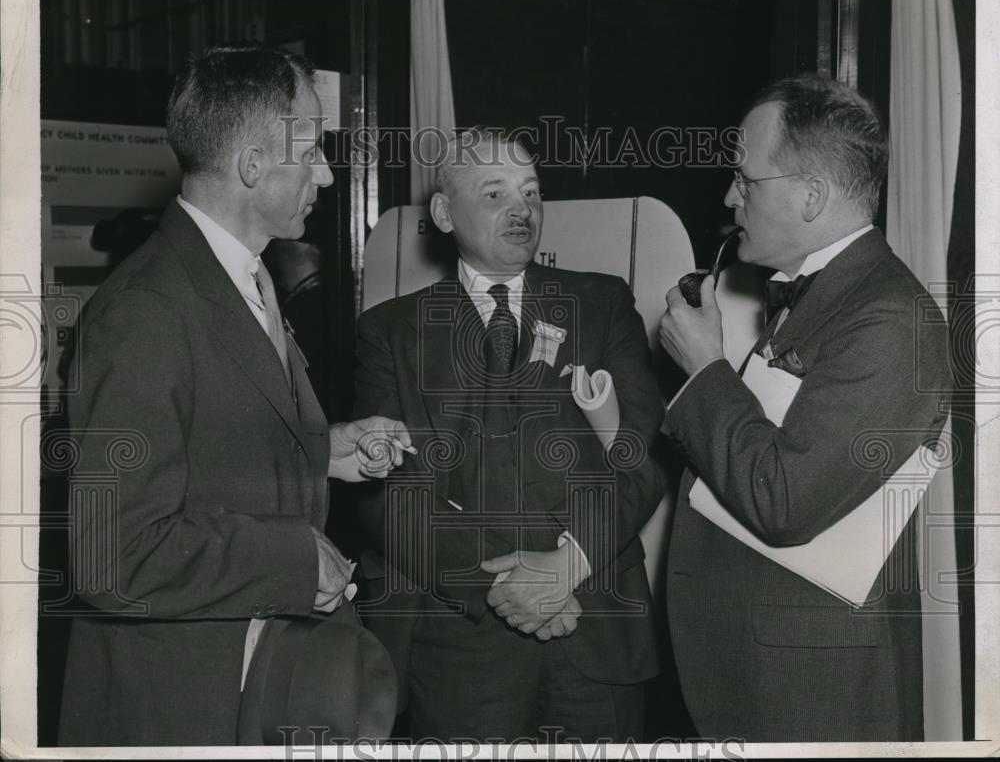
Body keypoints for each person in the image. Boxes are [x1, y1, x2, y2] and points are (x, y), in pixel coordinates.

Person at [58, 44, 410, 746]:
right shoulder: (145, 311)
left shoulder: (242, 274)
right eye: (311, 151)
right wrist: (291, 559)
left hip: (254, 685)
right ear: (253, 166)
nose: (328, 172)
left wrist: (322, 448)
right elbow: (111, 553)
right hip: (180, 706)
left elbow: (211, 439)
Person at [658, 75, 951, 741]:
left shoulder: (889, 319)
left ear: (811, 196)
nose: (730, 196)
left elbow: (785, 501)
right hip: (758, 676)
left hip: (813, 694)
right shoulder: (823, 294)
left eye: (744, 178)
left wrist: (705, 367)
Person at [352, 128, 664, 742]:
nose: (521, 210)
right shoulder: (389, 334)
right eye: (494, 193)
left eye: (531, 192)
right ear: (444, 213)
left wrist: (568, 565)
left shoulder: (601, 304)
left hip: (595, 628)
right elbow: (387, 496)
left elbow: (641, 454)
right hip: (461, 644)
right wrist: (504, 588)